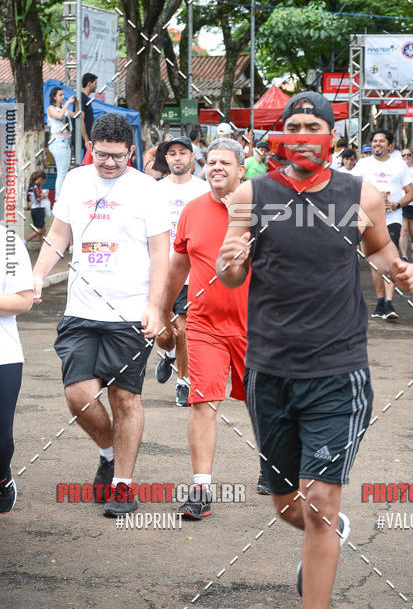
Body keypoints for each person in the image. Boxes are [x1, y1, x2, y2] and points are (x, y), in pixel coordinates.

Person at [216, 91, 413, 609]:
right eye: (294, 125)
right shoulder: (250, 194)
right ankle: (322, 536)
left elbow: (378, 247)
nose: (303, 134)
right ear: (281, 136)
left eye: (314, 126)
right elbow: (233, 272)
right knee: (290, 504)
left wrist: (398, 268)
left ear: (330, 136)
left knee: (320, 504)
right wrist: (230, 262)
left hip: (338, 368)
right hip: (270, 369)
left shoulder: (361, 194)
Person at [32, 113, 170, 518]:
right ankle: (109, 454)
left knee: (125, 396)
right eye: (102, 155)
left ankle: (123, 486)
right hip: (82, 309)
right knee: (78, 395)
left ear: (132, 151)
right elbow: (60, 234)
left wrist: (155, 305)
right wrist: (38, 275)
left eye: (118, 157)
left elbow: (160, 252)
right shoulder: (75, 181)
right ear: (90, 148)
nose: (109, 164)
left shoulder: (148, 190)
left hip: (129, 311)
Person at [160, 139, 254, 520]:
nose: (216, 167)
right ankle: (201, 489)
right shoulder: (192, 211)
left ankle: (277, 468)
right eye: (211, 161)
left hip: (257, 328)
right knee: (203, 404)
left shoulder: (263, 212)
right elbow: (177, 267)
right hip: (204, 325)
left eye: (225, 163)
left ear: (241, 170)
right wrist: (163, 309)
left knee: (267, 405)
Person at [154, 137, 209, 407]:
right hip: (162, 272)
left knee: (184, 329)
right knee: (165, 335)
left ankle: (183, 381)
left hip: (192, 272)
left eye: (183, 153)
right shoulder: (153, 191)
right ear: (166, 159)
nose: (177, 158)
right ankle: (169, 354)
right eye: (172, 154)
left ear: (191, 156)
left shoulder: (205, 190)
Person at [352, 129, 413, 319]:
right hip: (369, 219)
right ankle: (380, 303)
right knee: (375, 263)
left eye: (381, 141)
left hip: (392, 219)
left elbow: (411, 194)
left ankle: (389, 303)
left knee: (390, 259)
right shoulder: (363, 164)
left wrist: (396, 204)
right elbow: (350, 188)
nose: (377, 144)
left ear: (390, 145)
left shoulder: (399, 166)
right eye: (375, 141)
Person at [0, 203, 34, 513]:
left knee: (1, 441)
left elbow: (24, 301)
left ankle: (1, 477)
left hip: (3, 355)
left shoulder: (8, 243)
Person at [47, 87, 76, 198]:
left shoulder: (65, 110)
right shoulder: (51, 108)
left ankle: (60, 198)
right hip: (58, 141)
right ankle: (58, 199)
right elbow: (59, 116)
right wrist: (68, 102)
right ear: (54, 97)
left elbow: (78, 115)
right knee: (62, 173)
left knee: (64, 172)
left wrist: (76, 103)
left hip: (66, 141)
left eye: (64, 95)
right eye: (60, 95)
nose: (63, 97)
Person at [72, 73, 98, 158]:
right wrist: (86, 140)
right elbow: (81, 119)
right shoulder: (82, 98)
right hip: (82, 142)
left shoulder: (86, 99)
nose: (96, 86)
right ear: (89, 84)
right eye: (95, 83)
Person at [25, 171, 49, 245]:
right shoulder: (36, 187)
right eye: (43, 181)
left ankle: (42, 248)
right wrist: (44, 196)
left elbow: (28, 199)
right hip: (38, 209)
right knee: (40, 230)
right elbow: (38, 199)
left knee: (43, 229)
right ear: (40, 179)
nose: (43, 183)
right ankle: (24, 241)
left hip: (34, 209)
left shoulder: (30, 187)